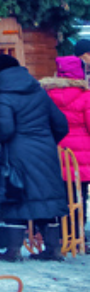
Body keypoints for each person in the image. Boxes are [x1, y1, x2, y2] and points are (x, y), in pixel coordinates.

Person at [0, 52, 70, 261]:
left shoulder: (3, 95)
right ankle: (53, 250)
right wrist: (47, 141)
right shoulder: (38, 91)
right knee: (46, 198)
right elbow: (61, 124)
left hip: (17, 153)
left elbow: (5, 129)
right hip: (45, 150)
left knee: (15, 197)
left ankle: (13, 251)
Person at [39, 55, 90, 233]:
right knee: (79, 194)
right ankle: (77, 235)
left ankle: (60, 233)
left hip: (53, 152)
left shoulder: (46, 95)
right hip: (81, 156)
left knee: (58, 194)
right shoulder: (86, 96)